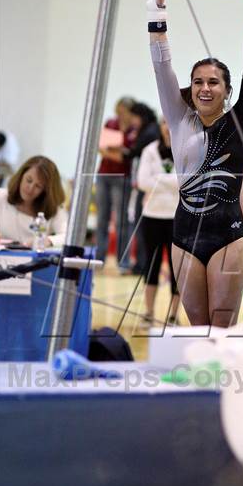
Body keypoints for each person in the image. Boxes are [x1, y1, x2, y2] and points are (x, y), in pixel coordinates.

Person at [146, 0, 243, 326]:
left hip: (227, 236)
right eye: (198, 81)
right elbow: (162, 68)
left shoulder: (241, 118)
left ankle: (226, 384)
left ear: (226, 89)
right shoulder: (178, 118)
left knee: (220, 331)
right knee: (197, 329)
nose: (205, 88)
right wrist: (156, 15)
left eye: (214, 82)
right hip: (184, 235)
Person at [137, 118, 180, 326]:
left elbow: (188, 182)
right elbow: (143, 182)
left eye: (169, 122)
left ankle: (174, 315)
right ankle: (149, 311)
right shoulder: (149, 151)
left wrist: (158, 179)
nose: (167, 126)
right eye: (163, 122)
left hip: (177, 218)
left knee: (177, 269)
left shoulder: (185, 150)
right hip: (152, 216)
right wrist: (172, 182)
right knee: (151, 266)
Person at [96, 96, 138, 273]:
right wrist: (117, 152)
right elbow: (101, 148)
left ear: (131, 112)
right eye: (118, 111)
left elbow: (126, 156)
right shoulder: (110, 123)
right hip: (104, 175)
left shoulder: (135, 129)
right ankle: (99, 260)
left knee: (121, 221)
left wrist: (113, 152)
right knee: (101, 220)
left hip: (123, 178)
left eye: (124, 112)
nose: (120, 115)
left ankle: (123, 263)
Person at [0, 155, 67, 247]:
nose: (30, 188)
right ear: (21, 176)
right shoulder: (0, 196)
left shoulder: (54, 208)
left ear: (46, 191)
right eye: (29, 180)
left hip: (36, 260)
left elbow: (68, 237)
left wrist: (48, 240)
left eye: (38, 186)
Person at [124, 102, 160, 275]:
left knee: (142, 227)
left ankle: (143, 265)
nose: (132, 122)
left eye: (134, 118)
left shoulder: (150, 132)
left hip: (148, 188)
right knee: (140, 225)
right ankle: (142, 264)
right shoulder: (146, 130)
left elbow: (132, 153)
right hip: (145, 185)